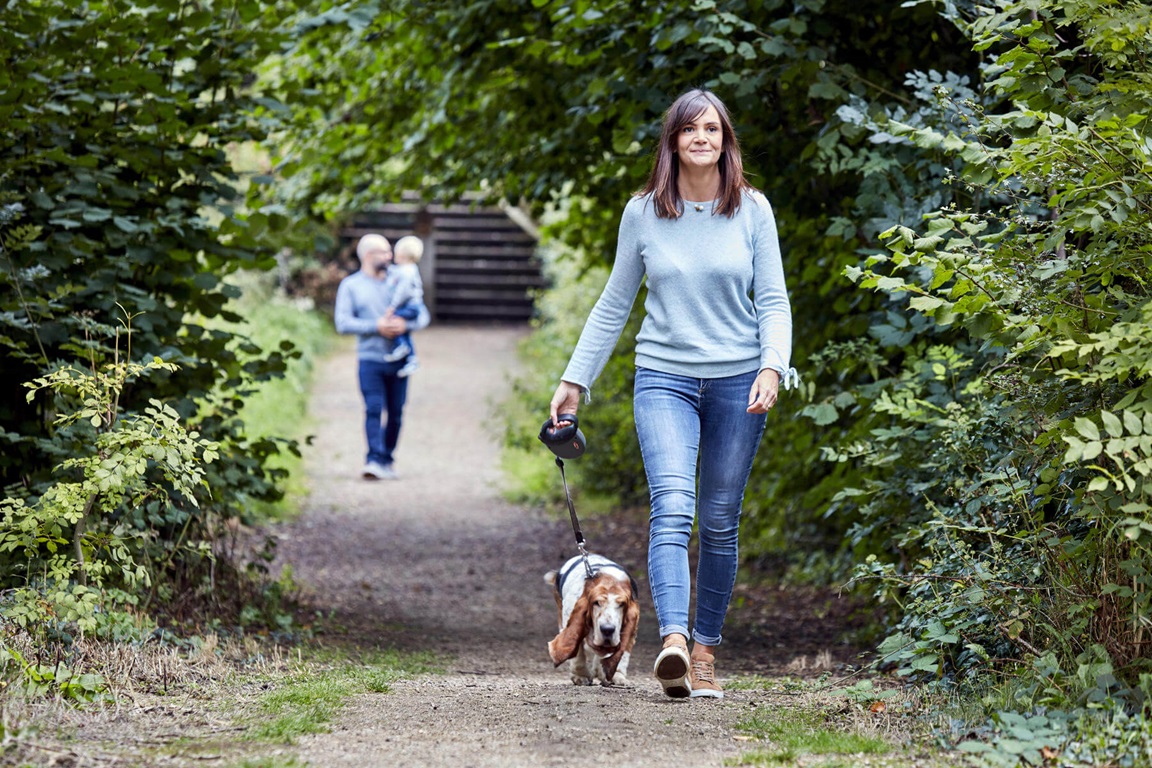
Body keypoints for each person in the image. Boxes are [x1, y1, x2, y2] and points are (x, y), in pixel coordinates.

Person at [548, 88, 798, 699]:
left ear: (725, 140)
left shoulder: (753, 209)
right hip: (663, 376)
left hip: (741, 380)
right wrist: (573, 381)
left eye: (713, 129)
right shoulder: (643, 212)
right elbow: (613, 304)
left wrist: (774, 366)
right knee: (673, 506)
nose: (703, 138)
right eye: (691, 130)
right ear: (674, 141)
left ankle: (706, 649)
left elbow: (772, 301)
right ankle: (674, 643)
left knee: (718, 520)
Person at [334, 233, 430, 480]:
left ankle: (387, 458)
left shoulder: (400, 279)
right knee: (374, 408)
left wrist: (405, 326)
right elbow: (342, 323)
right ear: (368, 255)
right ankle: (373, 460)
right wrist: (376, 326)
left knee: (396, 413)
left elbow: (422, 315)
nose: (391, 257)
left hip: (399, 361)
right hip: (370, 359)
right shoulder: (351, 286)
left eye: (390, 252)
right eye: (384, 252)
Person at [382, 235, 426, 378]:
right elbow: (394, 272)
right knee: (405, 332)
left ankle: (401, 346)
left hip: (411, 306)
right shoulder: (408, 269)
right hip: (414, 306)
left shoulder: (407, 272)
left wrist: (392, 306)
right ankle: (412, 359)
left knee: (394, 321)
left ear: (401, 254)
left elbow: (402, 291)